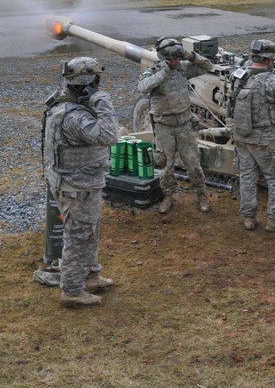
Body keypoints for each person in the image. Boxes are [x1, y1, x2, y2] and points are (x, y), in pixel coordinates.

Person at [42, 56, 120, 308]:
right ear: (90, 83)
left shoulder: (65, 106)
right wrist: (102, 100)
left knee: (89, 230)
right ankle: (73, 291)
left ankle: (91, 275)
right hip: (77, 186)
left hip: (81, 182)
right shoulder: (74, 116)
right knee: (79, 236)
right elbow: (109, 136)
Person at [231, 39, 275, 232]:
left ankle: (249, 217)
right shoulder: (273, 81)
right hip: (265, 140)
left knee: (247, 176)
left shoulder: (239, 76)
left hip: (241, 136)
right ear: (269, 60)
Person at [138, 37, 214, 214]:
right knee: (166, 166)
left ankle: (201, 194)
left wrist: (191, 55)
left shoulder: (183, 69)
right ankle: (168, 196)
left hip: (185, 125)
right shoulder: (154, 72)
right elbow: (142, 87)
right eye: (172, 59)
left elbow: (208, 66)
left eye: (178, 58)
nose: (176, 62)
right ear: (163, 58)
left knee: (193, 163)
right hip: (164, 126)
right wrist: (163, 73)